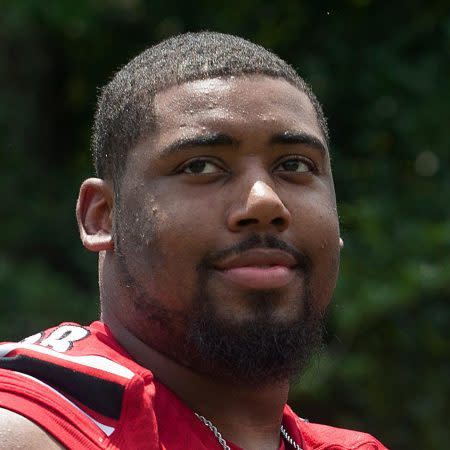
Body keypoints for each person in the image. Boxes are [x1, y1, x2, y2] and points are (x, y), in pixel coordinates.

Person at [0, 32, 388, 450]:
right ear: (102, 217)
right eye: (201, 166)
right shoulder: (38, 427)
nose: (264, 202)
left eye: (295, 164)